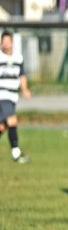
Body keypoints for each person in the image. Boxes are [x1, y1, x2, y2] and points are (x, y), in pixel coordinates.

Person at [0, 31, 32, 163]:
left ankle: (16, 152)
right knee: (12, 120)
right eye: (3, 41)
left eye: (8, 41)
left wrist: (25, 89)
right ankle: (16, 153)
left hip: (13, 95)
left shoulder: (18, 58)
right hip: (2, 94)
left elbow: (22, 75)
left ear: (12, 42)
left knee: (3, 125)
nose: (5, 44)